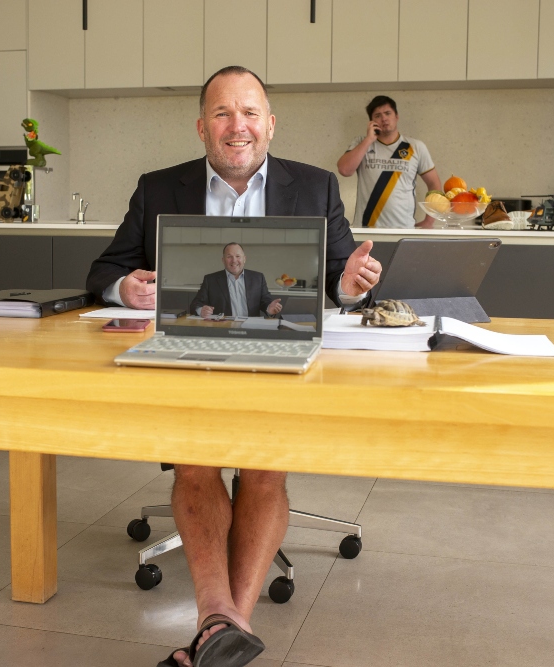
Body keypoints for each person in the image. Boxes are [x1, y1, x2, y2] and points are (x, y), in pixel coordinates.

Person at [86, 65, 381, 667]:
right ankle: (223, 624)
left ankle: (218, 627)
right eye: (223, 113)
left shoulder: (318, 187)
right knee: (195, 466)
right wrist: (127, 289)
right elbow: (102, 273)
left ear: (270, 124)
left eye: (250, 113)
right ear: (202, 127)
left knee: (264, 471)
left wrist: (349, 286)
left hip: (281, 362)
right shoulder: (158, 188)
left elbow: (345, 281)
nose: (237, 126)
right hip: (191, 362)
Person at [336, 95, 442, 229]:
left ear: (396, 116)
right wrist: (369, 140)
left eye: (387, 113)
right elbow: (344, 170)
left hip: (404, 229)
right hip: (367, 228)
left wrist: (430, 220)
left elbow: (434, 184)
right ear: (371, 121)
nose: (384, 118)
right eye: (377, 115)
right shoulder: (361, 143)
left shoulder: (415, 147)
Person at [189, 242, 282, 318]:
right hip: (222, 329)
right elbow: (195, 305)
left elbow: (265, 301)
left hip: (250, 329)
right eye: (229, 257)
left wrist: (269, 308)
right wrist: (201, 310)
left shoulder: (258, 278)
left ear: (244, 259)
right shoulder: (210, 280)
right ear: (223, 260)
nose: (234, 260)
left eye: (238, 256)